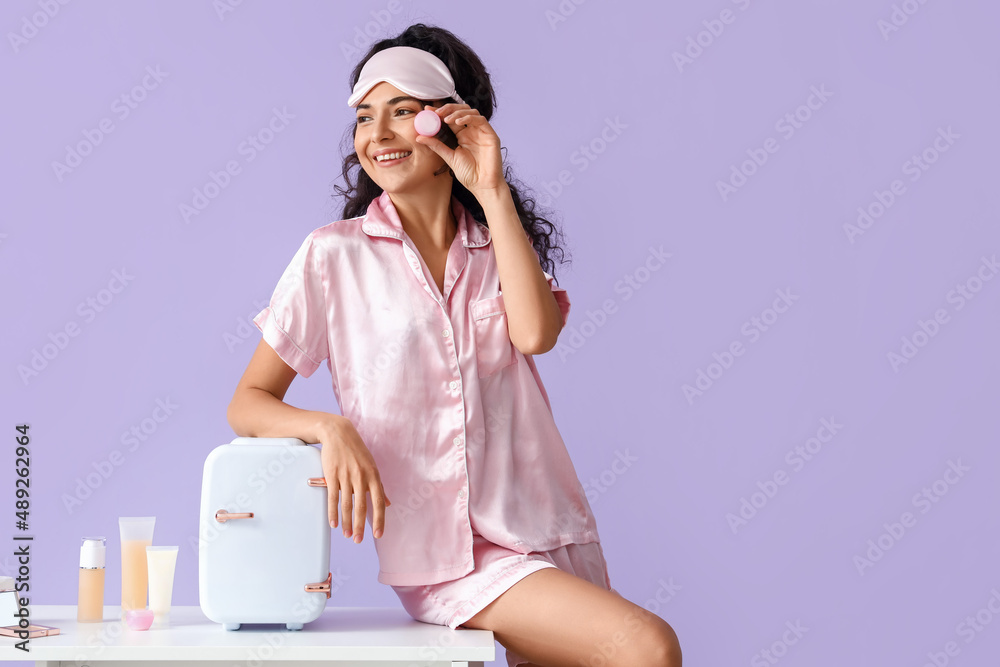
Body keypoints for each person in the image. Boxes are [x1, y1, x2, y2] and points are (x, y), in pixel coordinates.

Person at [227, 22, 681, 667]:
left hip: (548, 526)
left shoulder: (499, 246)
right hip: (445, 558)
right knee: (646, 646)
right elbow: (247, 402)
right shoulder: (333, 255)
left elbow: (534, 334)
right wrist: (329, 429)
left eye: (402, 112)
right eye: (364, 117)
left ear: (447, 124)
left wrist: (490, 187)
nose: (377, 135)